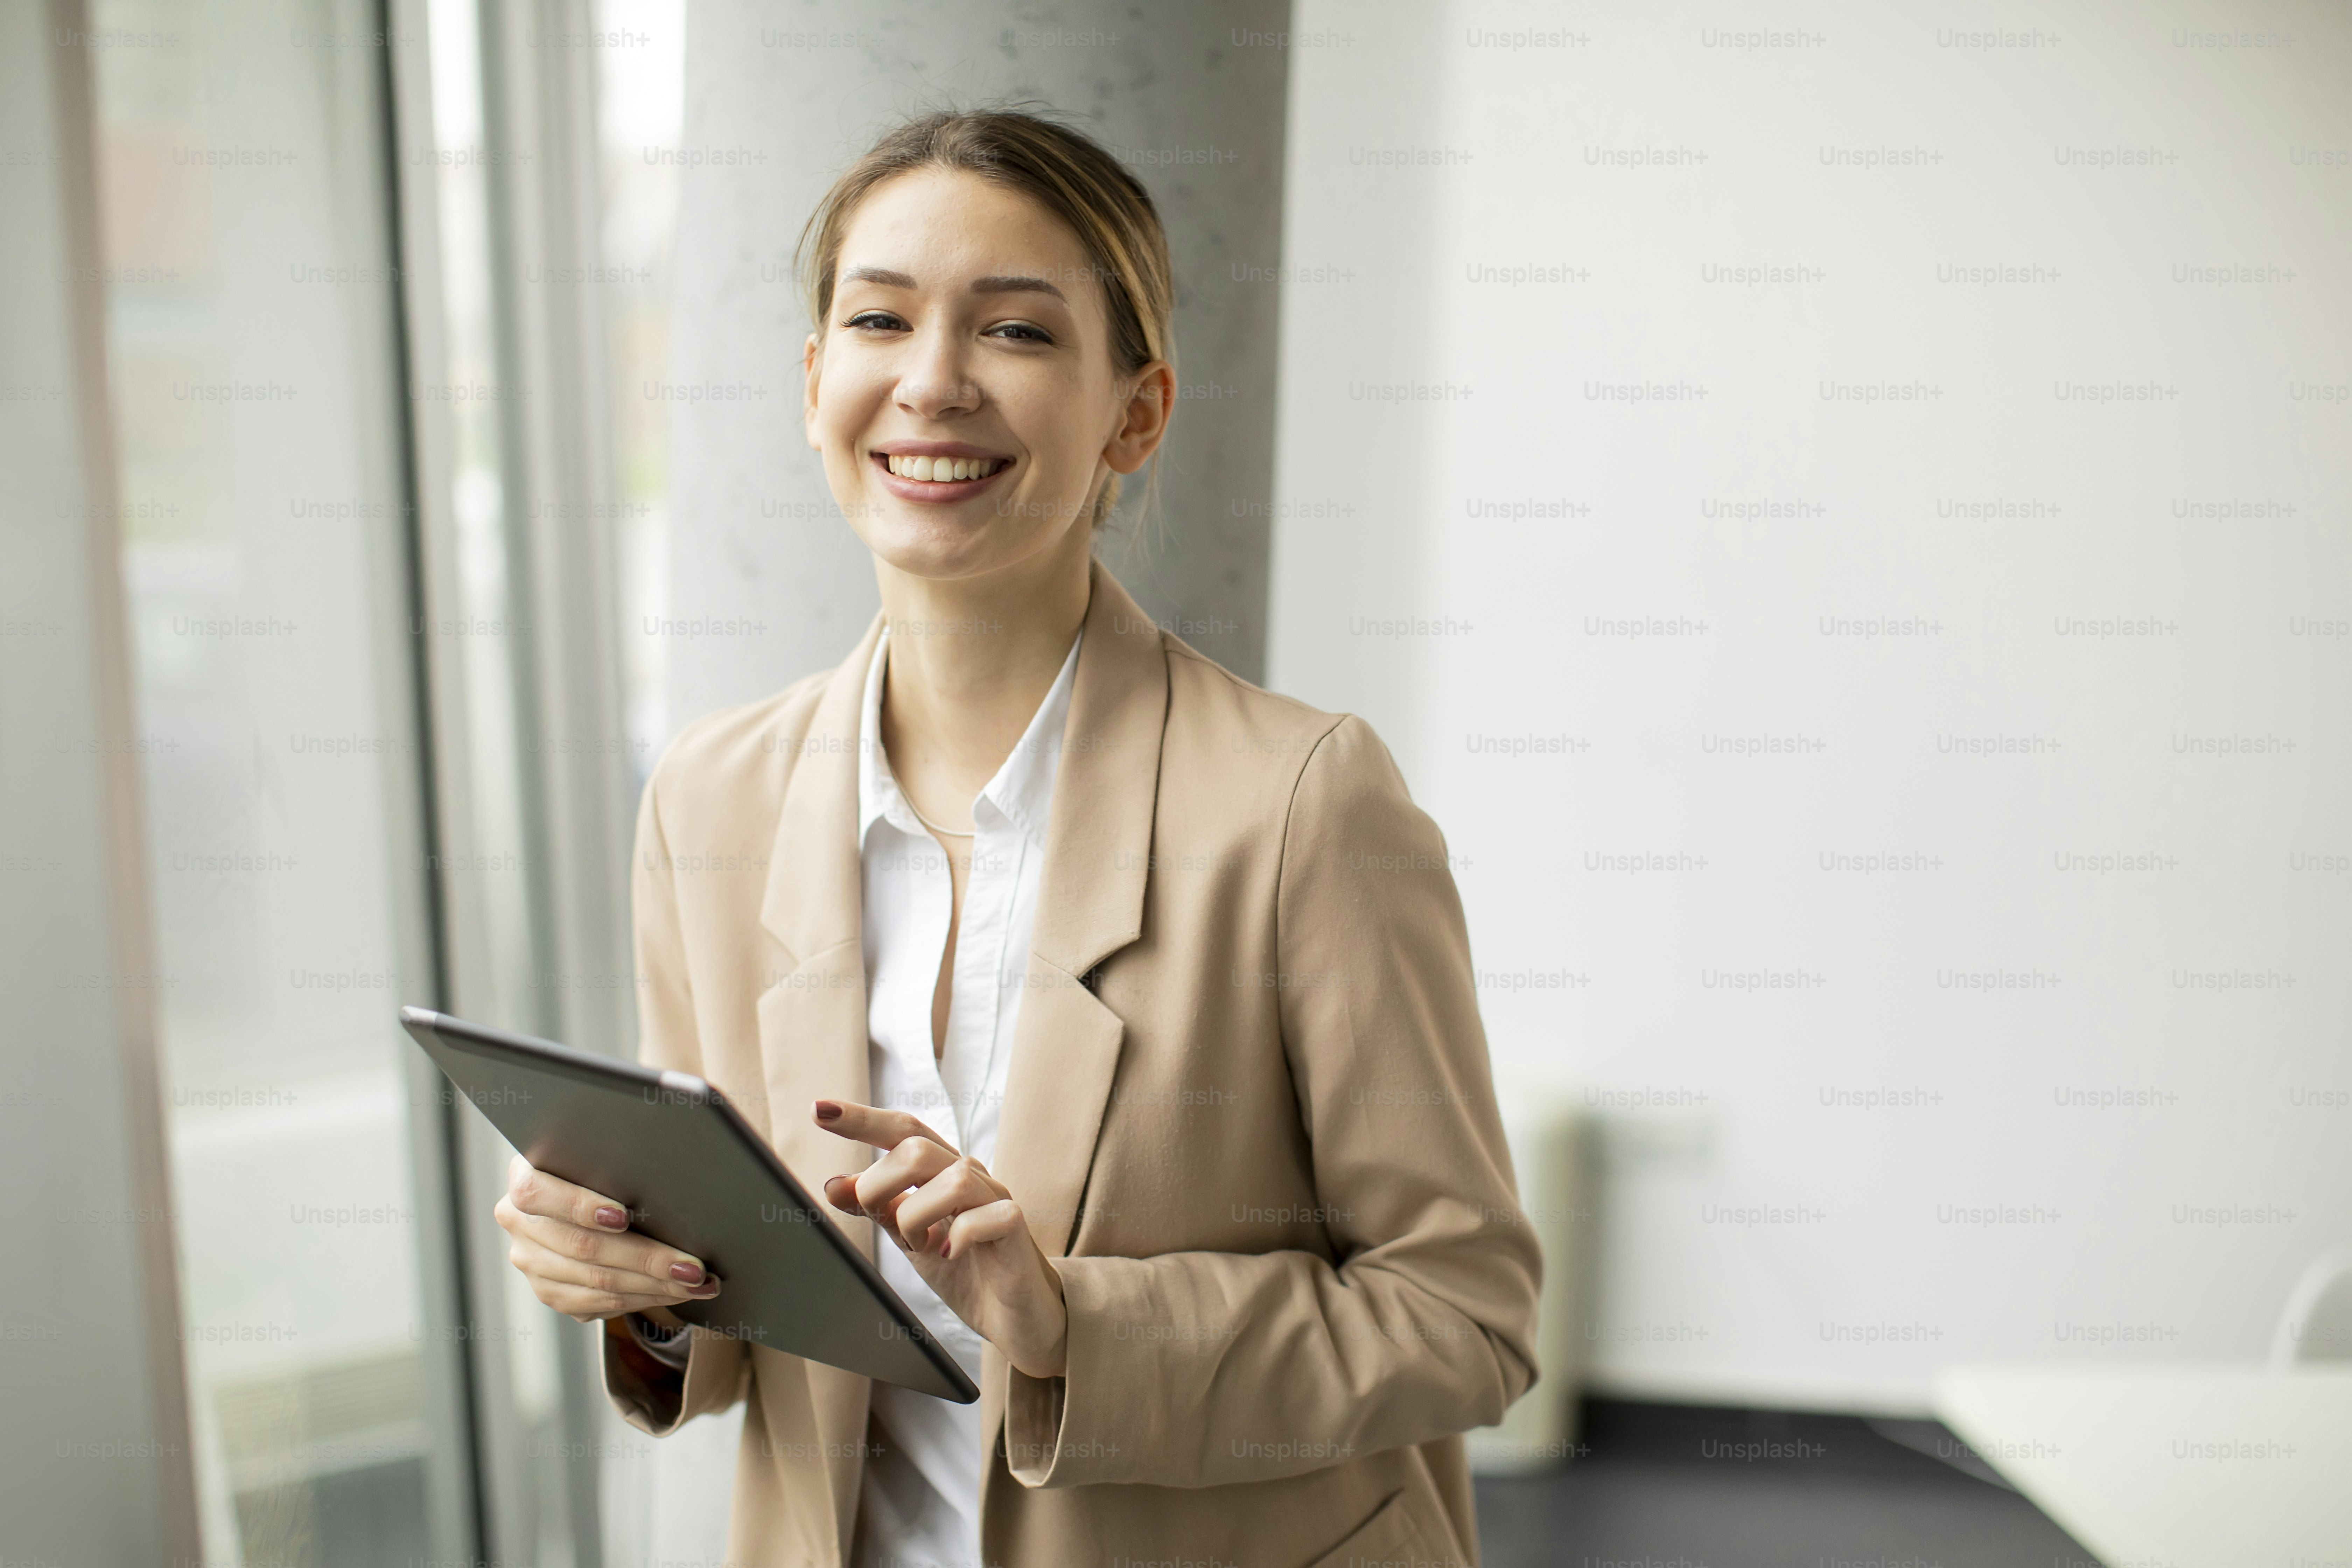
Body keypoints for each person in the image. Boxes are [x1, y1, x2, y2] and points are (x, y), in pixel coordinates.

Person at [494, 107, 1539, 1568]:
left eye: (1018, 334)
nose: (932, 383)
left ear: (1137, 412)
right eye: (880, 320)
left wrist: (1072, 1325)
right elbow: (751, 1305)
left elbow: (1465, 1316)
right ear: (814, 386)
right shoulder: (709, 797)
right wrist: (650, 1290)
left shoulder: (1304, 801)